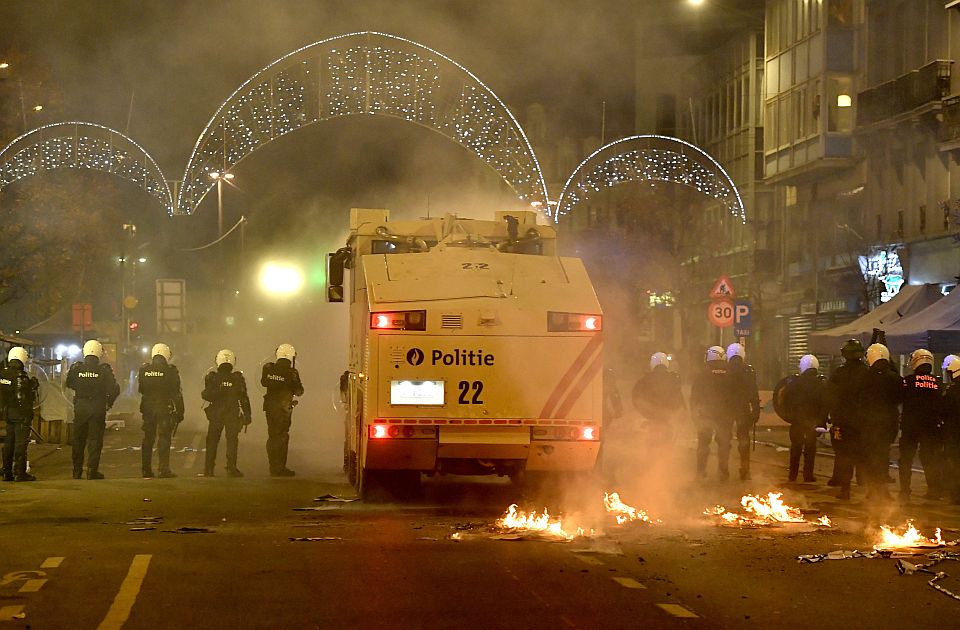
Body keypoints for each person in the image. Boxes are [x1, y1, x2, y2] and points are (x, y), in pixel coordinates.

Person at [66, 340, 120, 480]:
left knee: (78, 440)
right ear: (99, 353)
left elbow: (69, 383)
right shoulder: (104, 370)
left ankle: (76, 471)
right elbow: (114, 389)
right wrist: (109, 403)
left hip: (81, 407)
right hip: (97, 407)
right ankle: (92, 471)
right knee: (95, 440)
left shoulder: (77, 368)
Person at [859, 343, 903, 503]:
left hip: (869, 423)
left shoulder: (864, 377)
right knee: (883, 456)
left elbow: (859, 400)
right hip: (888, 423)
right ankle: (883, 490)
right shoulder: (894, 378)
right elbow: (899, 398)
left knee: (870, 457)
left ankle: (872, 489)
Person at [898, 349, 943, 503]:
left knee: (906, 459)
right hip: (930, 427)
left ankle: (905, 491)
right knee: (930, 459)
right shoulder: (937, 382)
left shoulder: (908, 381)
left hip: (911, 426)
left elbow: (899, 398)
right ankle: (934, 490)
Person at [827, 338, 869, 500]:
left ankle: (845, 489)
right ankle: (866, 486)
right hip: (861, 422)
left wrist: (829, 415)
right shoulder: (867, 373)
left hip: (842, 421)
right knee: (862, 453)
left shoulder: (839, 373)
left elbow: (829, 395)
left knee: (843, 454)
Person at [138, 343, 185, 478]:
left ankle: (146, 470)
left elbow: (141, 389)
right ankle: (163, 469)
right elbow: (176, 393)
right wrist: (180, 411)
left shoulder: (144, 370)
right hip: (164, 408)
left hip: (148, 408)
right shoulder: (171, 371)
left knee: (148, 438)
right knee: (164, 438)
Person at [202, 349, 252, 477]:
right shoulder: (237, 378)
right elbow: (244, 397)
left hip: (216, 414)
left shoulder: (213, 377)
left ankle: (208, 469)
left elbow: (206, 395)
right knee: (232, 441)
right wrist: (247, 414)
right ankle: (231, 468)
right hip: (232, 413)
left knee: (212, 441)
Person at [782, 354, 829, 483]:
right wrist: (822, 421)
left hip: (797, 421)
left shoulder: (794, 383)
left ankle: (793, 475)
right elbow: (825, 404)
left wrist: (790, 416)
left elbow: (785, 401)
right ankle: (808, 475)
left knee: (796, 448)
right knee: (810, 448)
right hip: (813, 422)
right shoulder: (821, 383)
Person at [261, 343, 304, 477]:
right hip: (284, 408)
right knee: (282, 436)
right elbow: (299, 391)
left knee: (272, 436)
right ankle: (280, 467)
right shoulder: (292, 372)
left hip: (269, 407)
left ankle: (273, 466)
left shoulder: (268, 368)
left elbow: (263, 382)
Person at [690, 346, 732, 480]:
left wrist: (694, 414)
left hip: (706, 414)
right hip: (725, 415)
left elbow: (695, 396)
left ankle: (701, 472)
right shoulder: (729, 373)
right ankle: (723, 472)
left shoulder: (703, 374)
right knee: (724, 444)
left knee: (703, 444)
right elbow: (734, 394)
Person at [0, 347, 39, 481]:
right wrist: (32, 386)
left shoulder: (3, 374)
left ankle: (6, 471)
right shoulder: (20, 375)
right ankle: (19, 472)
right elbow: (21, 397)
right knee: (20, 443)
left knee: (9, 442)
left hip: (8, 412)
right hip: (20, 413)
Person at [725, 343, 761, 480]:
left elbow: (718, 393)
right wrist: (756, 411)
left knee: (724, 440)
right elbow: (753, 393)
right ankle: (745, 471)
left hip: (726, 410)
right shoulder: (748, 371)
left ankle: (723, 471)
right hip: (743, 410)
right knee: (744, 441)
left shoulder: (724, 370)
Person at [632, 351, 684, 441]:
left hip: (651, 416)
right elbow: (679, 397)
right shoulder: (673, 379)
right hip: (667, 417)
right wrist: (680, 412)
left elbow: (635, 397)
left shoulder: (644, 379)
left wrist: (644, 411)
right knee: (669, 442)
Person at [941, 358, 960, 504]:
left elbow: (944, 410)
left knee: (954, 463)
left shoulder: (952, 391)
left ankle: (955, 494)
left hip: (954, 433)